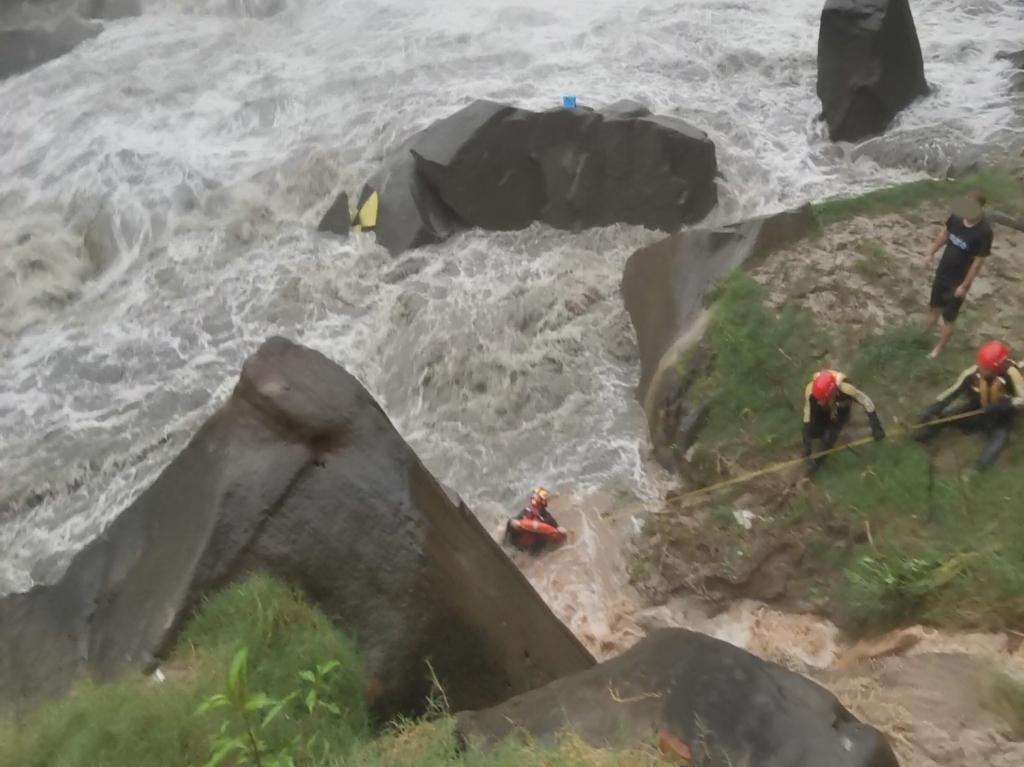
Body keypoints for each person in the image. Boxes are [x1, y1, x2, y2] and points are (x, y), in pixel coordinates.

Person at [914, 340, 1023, 470]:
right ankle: (922, 437)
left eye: (985, 368)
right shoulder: (972, 374)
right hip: (976, 408)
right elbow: (952, 392)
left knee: (996, 442)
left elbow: (1022, 399)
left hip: (1001, 416)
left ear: (997, 367)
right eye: (981, 365)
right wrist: (935, 407)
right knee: (946, 417)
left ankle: (979, 468)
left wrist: (1004, 405)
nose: (981, 369)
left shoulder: (1012, 373)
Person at [923, 192, 994, 359]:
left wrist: (964, 286)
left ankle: (938, 350)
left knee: (949, 317)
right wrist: (930, 253)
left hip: (958, 281)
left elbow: (977, 263)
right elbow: (944, 235)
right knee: (934, 307)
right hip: (942, 272)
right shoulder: (956, 217)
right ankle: (922, 336)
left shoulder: (984, 231)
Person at [802, 369, 885, 474]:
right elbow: (807, 414)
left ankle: (818, 461)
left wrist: (876, 425)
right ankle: (819, 435)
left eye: (822, 399)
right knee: (815, 427)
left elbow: (865, 400)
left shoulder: (845, 389)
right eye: (819, 400)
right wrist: (806, 444)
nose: (820, 402)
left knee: (833, 431)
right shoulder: (810, 390)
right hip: (828, 402)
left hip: (841, 401)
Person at [504, 487, 563, 553]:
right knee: (512, 523)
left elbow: (557, 530)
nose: (532, 497)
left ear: (541, 501)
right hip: (515, 546)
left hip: (532, 550)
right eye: (533, 496)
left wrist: (561, 531)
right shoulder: (526, 511)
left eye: (535, 496)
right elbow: (514, 522)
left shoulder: (547, 518)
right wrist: (517, 524)